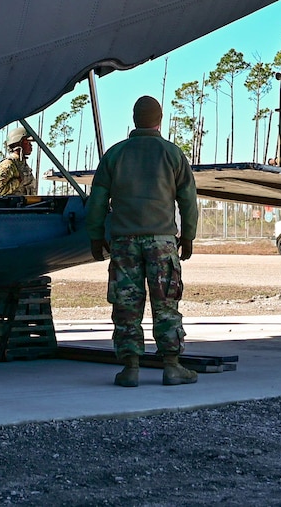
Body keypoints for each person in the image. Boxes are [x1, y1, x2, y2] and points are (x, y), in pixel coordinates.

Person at [87, 95, 198, 388]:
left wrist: (96, 235)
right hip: (162, 242)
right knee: (166, 304)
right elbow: (188, 199)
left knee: (127, 305)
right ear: (159, 120)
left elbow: (98, 200)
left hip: (124, 242)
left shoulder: (115, 154)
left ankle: (130, 368)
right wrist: (188, 235)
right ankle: (172, 367)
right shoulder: (172, 154)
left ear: (134, 120)